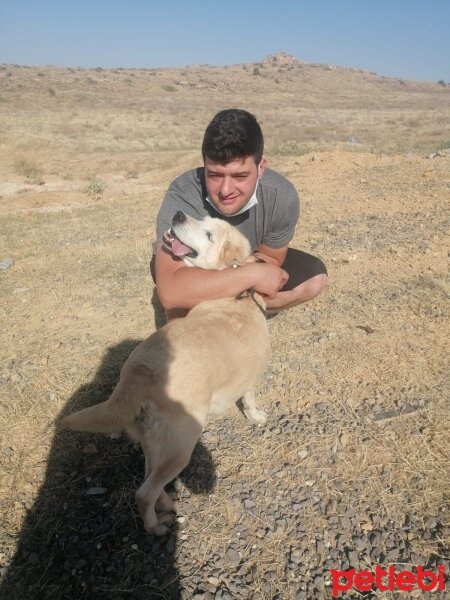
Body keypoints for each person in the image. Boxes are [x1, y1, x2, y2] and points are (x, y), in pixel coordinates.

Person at [151, 108, 327, 321]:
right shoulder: (184, 193)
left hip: (241, 259)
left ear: (261, 168)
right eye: (215, 175)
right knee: (179, 306)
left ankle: (240, 314)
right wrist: (250, 275)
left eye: (240, 175)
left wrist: (249, 267)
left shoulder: (281, 197)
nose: (226, 190)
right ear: (204, 164)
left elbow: (271, 257)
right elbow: (172, 292)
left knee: (314, 279)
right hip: (193, 269)